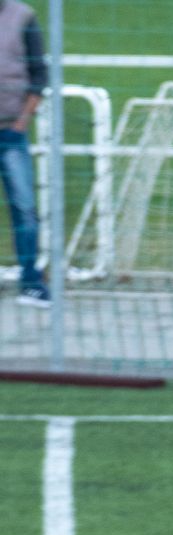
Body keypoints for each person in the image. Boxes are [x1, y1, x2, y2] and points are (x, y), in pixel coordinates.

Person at [0, 0, 48, 307]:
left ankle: (31, 282)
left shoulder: (23, 16)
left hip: (10, 130)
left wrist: (20, 124)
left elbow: (39, 76)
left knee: (24, 207)